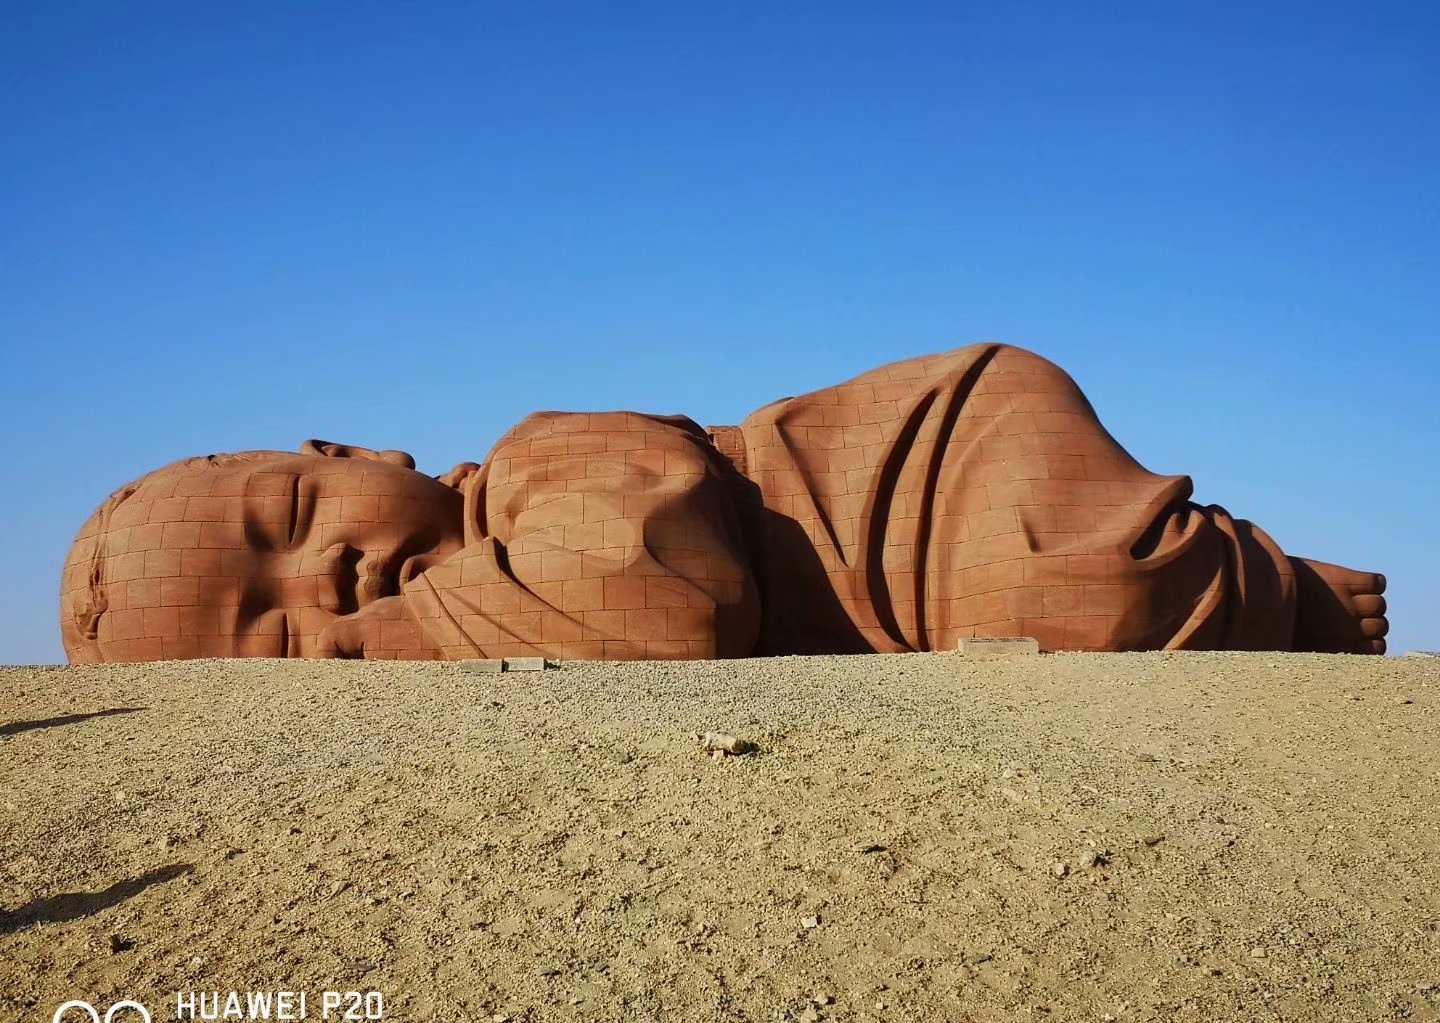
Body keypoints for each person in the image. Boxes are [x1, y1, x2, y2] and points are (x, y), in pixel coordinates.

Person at [60, 343, 1388, 663]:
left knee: (1071, 596)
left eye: (292, 521)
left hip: (933, 474)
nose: (327, 582)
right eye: (282, 636)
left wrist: (374, 648)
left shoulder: (542, 455)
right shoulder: (482, 619)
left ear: (345, 447)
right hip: (901, 608)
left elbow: (661, 594)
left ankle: (1297, 595)